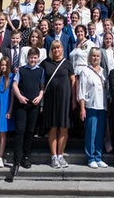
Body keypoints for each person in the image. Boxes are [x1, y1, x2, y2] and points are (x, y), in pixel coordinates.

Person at [8, 47, 45, 179]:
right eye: (31, 57)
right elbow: (14, 85)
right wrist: (19, 97)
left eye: (35, 58)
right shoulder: (22, 70)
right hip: (21, 105)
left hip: (34, 105)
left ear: (38, 58)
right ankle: (16, 160)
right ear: (27, 58)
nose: (33, 60)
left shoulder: (41, 71)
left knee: (30, 131)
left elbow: (42, 88)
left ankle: (26, 157)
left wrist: (40, 97)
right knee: (20, 131)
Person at [41, 40, 76, 168]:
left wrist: (73, 99)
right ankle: (53, 156)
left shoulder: (67, 63)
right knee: (53, 127)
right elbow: (41, 81)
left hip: (65, 99)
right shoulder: (45, 63)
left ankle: (61, 155)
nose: (56, 50)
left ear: (62, 49)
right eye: (54, 48)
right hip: (51, 99)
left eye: (58, 48)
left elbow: (73, 81)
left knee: (63, 127)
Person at [78, 47, 109, 168]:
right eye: (93, 56)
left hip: (102, 106)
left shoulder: (103, 71)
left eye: (97, 56)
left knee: (100, 132)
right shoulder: (85, 71)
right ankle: (90, 157)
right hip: (90, 106)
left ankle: (98, 156)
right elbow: (81, 91)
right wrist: (82, 108)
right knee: (91, 132)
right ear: (89, 57)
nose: (95, 58)